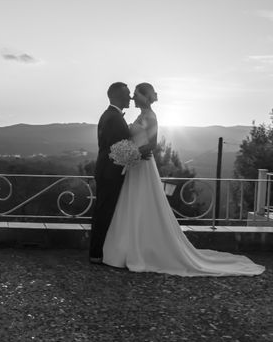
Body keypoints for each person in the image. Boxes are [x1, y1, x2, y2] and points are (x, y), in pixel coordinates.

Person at [103, 83, 265, 276]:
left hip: (143, 165)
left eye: (136, 94)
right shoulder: (140, 116)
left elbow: (152, 144)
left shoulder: (151, 116)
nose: (133, 98)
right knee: (133, 205)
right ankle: (129, 247)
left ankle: (143, 249)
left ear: (145, 97)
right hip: (135, 165)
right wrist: (129, 153)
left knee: (143, 203)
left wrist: (132, 153)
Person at [89, 82, 132, 264]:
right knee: (104, 212)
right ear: (116, 96)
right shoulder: (114, 118)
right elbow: (117, 150)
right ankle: (96, 253)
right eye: (127, 94)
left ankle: (100, 251)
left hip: (106, 170)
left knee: (104, 211)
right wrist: (138, 153)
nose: (129, 97)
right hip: (110, 172)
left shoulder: (110, 115)